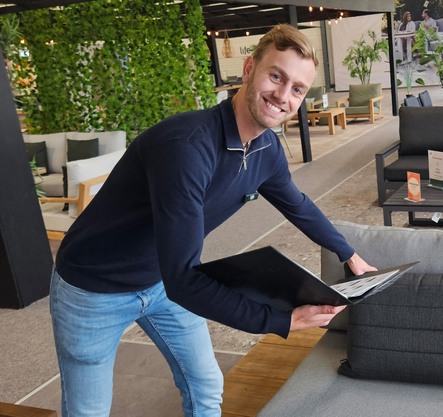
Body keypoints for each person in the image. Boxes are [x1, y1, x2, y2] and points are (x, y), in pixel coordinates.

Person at [50, 24, 376, 417]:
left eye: (297, 89)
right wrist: (280, 320)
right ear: (249, 69)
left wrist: (349, 254)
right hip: (94, 288)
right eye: (276, 76)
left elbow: (298, 205)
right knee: (88, 411)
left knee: (205, 385)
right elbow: (185, 280)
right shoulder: (186, 148)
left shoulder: (265, 148)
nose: (283, 96)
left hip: (160, 281)